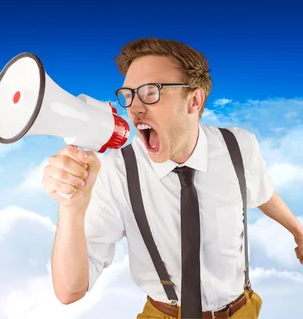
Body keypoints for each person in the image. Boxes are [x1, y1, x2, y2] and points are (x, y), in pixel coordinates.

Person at [43, 37, 303, 318]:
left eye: (150, 92)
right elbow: (70, 291)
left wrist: (298, 233)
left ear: (194, 100)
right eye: (128, 94)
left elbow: (263, 193)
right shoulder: (116, 172)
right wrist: (70, 208)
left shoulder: (239, 146)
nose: (134, 107)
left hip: (242, 309)